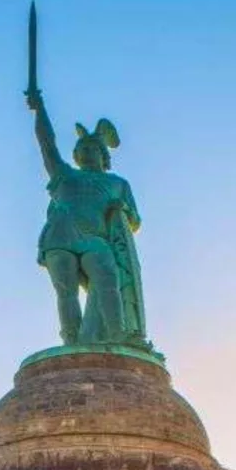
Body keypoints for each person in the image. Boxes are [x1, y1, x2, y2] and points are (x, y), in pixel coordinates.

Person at [26, 90, 147, 347]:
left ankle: (117, 333)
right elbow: (47, 144)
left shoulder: (117, 184)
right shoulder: (64, 175)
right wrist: (40, 110)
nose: (85, 152)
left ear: (104, 156)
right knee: (66, 291)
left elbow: (134, 221)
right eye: (81, 148)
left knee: (107, 279)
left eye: (92, 148)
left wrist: (121, 210)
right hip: (59, 235)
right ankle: (71, 340)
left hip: (96, 238)